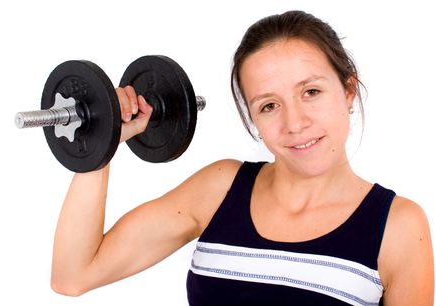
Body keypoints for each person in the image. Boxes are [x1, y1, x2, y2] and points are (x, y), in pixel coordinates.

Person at [50, 10, 434, 305]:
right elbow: (74, 274)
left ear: (348, 90)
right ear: (253, 117)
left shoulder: (397, 226)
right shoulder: (220, 189)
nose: (295, 123)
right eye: (269, 105)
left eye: (311, 92)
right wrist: (105, 137)